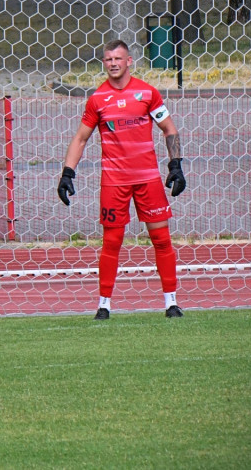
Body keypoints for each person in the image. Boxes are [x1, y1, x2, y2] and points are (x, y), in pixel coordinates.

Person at [56, 40, 187, 319]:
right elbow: (80, 138)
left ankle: (171, 303)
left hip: (148, 179)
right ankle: (104, 305)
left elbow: (168, 128)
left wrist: (176, 165)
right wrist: (67, 172)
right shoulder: (97, 99)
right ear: (104, 63)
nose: (113, 63)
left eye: (118, 58)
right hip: (114, 181)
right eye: (108, 59)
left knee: (161, 239)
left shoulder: (147, 93)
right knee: (112, 242)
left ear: (130, 61)